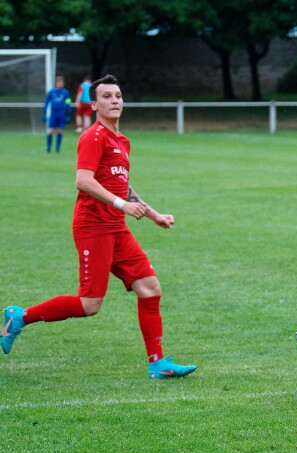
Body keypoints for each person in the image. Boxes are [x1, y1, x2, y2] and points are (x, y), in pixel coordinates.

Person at [2, 75, 197, 379]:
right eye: (106, 96)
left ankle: (158, 363)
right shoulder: (93, 136)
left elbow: (121, 185)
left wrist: (153, 214)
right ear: (93, 105)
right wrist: (121, 205)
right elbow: (83, 180)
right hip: (93, 226)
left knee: (149, 288)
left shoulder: (122, 140)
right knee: (90, 304)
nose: (114, 100)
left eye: (118, 95)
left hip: (116, 227)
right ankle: (20, 316)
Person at [43, 75, 72, 153]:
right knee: (51, 130)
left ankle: (57, 147)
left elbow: (68, 103)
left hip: (61, 113)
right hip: (54, 114)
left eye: (62, 83)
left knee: (59, 130)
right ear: (56, 83)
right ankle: (49, 147)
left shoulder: (65, 92)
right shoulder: (51, 92)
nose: (60, 84)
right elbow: (47, 102)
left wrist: (68, 114)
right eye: (59, 82)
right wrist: (44, 113)